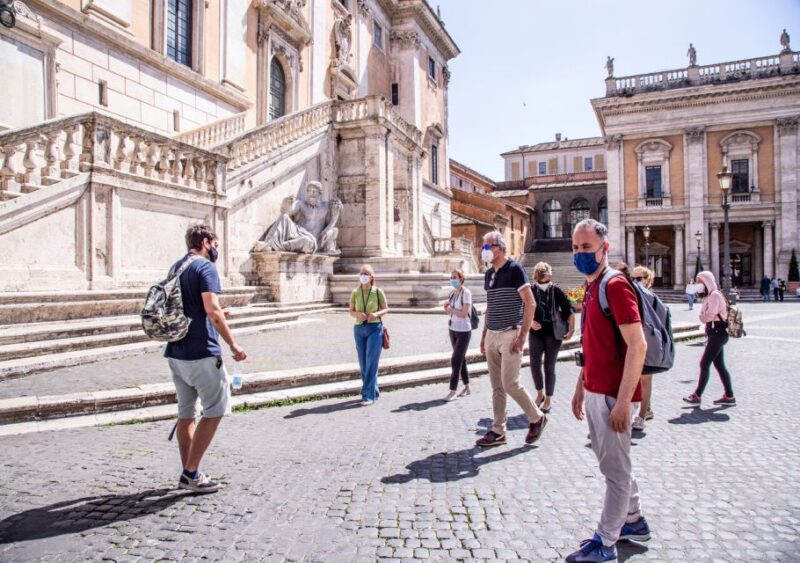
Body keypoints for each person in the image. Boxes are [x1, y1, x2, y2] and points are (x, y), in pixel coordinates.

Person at [567, 219, 650, 563]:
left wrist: (625, 403)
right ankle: (633, 520)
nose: (580, 254)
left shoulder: (614, 285)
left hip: (614, 395)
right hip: (596, 389)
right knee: (613, 464)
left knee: (614, 472)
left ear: (605, 248)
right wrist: (580, 387)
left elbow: (638, 345)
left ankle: (605, 541)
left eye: (586, 247)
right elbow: (593, 346)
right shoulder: (591, 286)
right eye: (575, 248)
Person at [165, 224, 247, 494]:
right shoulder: (205, 268)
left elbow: (196, 307)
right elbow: (212, 310)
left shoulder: (177, 267)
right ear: (206, 241)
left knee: (186, 414)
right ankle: (191, 472)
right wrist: (233, 344)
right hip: (202, 351)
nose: (217, 249)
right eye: (216, 243)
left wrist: (220, 316)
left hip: (176, 352)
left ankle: (190, 472)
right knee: (215, 410)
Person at [476, 231, 547, 447]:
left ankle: (537, 417)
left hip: (510, 333)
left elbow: (530, 303)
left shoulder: (515, 269)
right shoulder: (489, 274)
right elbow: (490, 307)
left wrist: (522, 335)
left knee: (510, 383)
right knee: (497, 386)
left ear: (500, 248)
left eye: (488, 246)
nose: (484, 250)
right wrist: (483, 336)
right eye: (483, 246)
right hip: (492, 334)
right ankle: (498, 431)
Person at [683, 271, 736, 407]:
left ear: (707, 282)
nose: (697, 284)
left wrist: (702, 317)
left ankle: (697, 395)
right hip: (715, 333)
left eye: (699, 281)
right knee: (720, 366)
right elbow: (707, 315)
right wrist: (704, 316)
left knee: (704, 364)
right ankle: (729, 396)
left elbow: (708, 315)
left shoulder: (715, 295)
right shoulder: (710, 296)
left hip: (718, 333)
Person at [528, 261, 575, 413]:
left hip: (553, 334)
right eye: (540, 273)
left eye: (545, 273)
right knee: (534, 364)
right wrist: (530, 322)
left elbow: (569, 310)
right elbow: (524, 309)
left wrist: (571, 330)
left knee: (549, 366)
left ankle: (548, 398)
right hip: (535, 333)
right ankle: (540, 393)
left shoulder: (556, 290)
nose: (543, 276)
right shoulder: (531, 290)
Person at [349, 265, 389, 406]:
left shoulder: (378, 292)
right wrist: (357, 314)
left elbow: (386, 308)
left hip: (375, 328)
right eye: (361, 273)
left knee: (371, 362)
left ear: (372, 277)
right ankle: (374, 390)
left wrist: (375, 314)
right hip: (359, 328)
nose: (363, 275)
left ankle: (368, 395)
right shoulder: (355, 292)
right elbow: (351, 311)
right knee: (363, 363)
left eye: (366, 273)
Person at [631, 265, 655, 432]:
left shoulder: (652, 297)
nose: (635, 282)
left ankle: (641, 416)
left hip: (648, 342)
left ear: (647, 280)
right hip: (633, 342)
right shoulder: (631, 295)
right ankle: (646, 408)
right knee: (634, 379)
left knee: (645, 380)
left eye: (638, 279)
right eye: (632, 278)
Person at [443, 269, 472, 401]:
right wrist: (448, 309)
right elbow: (452, 312)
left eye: (455, 277)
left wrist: (451, 309)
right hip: (453, 329)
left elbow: (464, 313)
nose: (452, 279)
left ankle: (452, 390)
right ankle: (467, 387)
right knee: (461, 359)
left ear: (461, 278)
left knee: (455, 359)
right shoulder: (453, 293)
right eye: (451, 277)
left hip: (464, 331)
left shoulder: (466, 293)